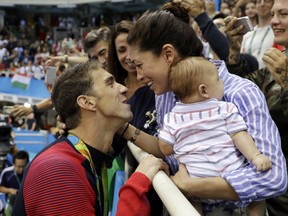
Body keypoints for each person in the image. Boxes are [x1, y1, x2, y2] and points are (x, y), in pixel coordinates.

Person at [115, 1, 286, 215]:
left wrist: (190, 186)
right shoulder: (165, 95)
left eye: (140, 65)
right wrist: (123, 128)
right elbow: (168, 150)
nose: (138, 76)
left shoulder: (240, 93)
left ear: (168, 54)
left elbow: (274, 179)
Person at [12, 60, 169, 216]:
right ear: (87, 102)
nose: (124, 89)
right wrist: (136, 186)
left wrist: (119, 125)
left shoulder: (81, 159)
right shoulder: (58, 170)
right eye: (110, 84)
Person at [158, 56, 271, 215]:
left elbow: (165, 148)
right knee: (258, 197)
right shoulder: (223, 108)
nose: (222, 83)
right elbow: (239, 135)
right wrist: (256, 156)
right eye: (218, 80)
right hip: (230, 177)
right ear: (203, 90)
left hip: (196, 180)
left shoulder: (172, 117)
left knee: (189, 203)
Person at [223, 0, 288, 214]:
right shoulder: (277, 61)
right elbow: (238, 89)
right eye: (273, 14)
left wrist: (287, 81)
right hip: (270, 185)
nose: (274, 21)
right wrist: (233, 49)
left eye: (284, 14)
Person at [0, 150, 29, 215]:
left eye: (23, 166)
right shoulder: (6, 172)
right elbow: (0, 188)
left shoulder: (31, 172)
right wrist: (10, 190)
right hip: (12, 203)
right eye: (19, 166)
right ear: (13, 164)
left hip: (27, 202)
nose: (21, 169)